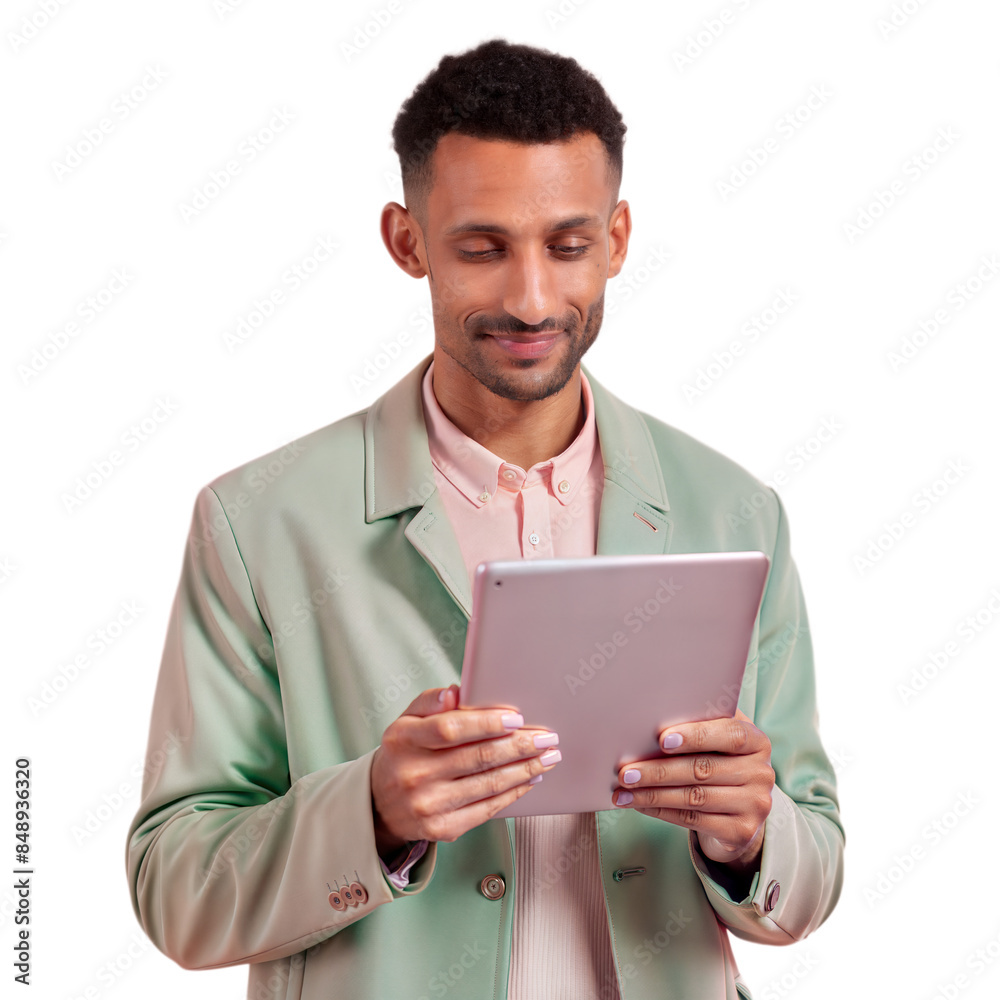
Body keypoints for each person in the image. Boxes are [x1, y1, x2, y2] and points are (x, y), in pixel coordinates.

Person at [126, 38, 844, 1000]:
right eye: (482, 248)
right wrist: (371, 814)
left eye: (568, 245)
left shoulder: (735, 510)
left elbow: (814, 867)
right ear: (407, 241)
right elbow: (175, 891)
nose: (531, 298)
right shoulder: (258, 523)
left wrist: (752, 838)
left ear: (619, 239)